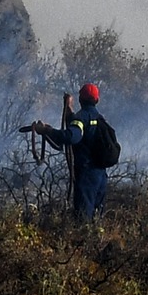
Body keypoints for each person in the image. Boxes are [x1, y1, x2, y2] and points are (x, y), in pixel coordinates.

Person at [30, 83, 118, 222]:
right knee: (97, 219)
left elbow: (72, 136)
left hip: (87, 175)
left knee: (83, 219)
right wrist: (69, 109)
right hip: (101, 175)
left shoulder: (82, 117)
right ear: (97, 100)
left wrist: (46, 131)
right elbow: (81, 127)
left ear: (81, 100)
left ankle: (82, 242)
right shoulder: (98, 118)